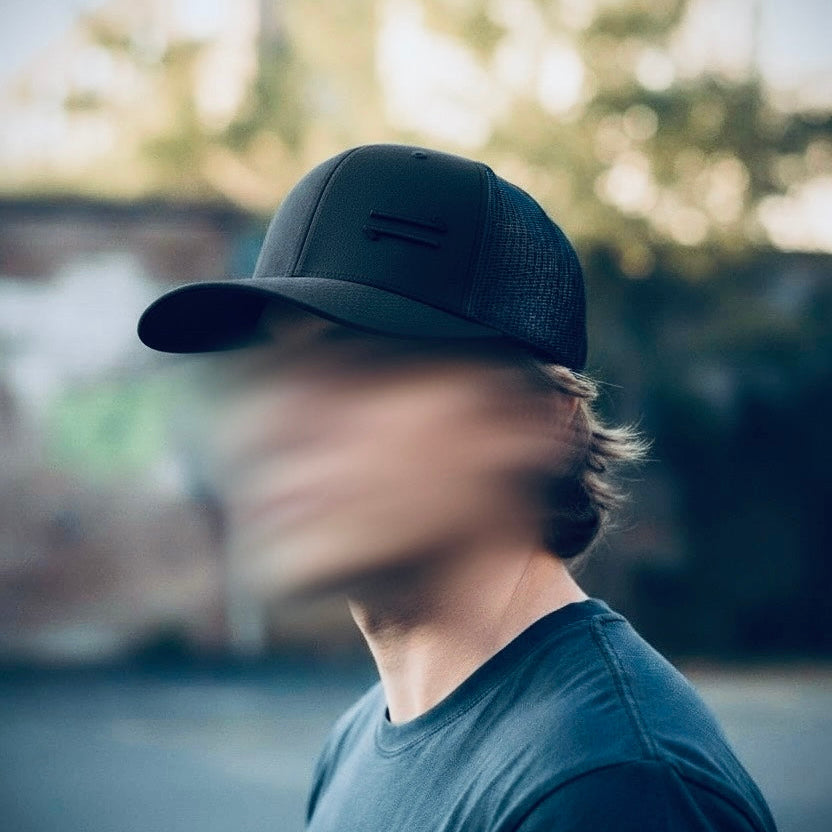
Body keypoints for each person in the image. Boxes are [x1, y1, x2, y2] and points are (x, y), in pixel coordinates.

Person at [137, 144, 777, 831]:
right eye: (271, 370)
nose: (279, 423)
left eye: (360, 367)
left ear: (541, 423)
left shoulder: (610, 787)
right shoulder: (358, 738)